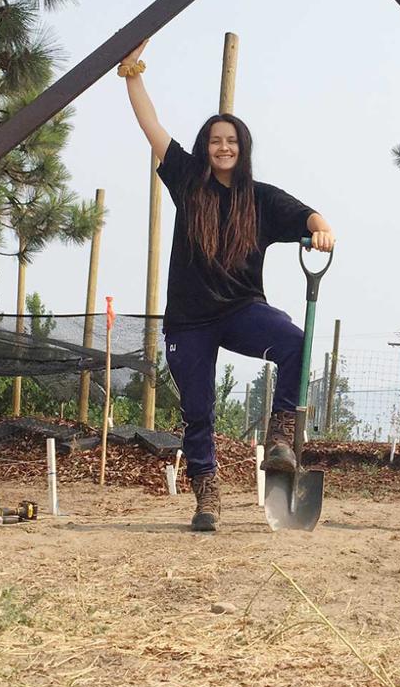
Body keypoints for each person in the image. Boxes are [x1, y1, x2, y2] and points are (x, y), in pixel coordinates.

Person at [119, 40, 335, 531]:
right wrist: (133, 72)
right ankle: (207, 492)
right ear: (205, 147)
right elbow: (151, 126)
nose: (223, 147)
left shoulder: (259, 198)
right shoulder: (187, 182)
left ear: (243, 149)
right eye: (216, 140)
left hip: (240, 312)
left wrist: (322, 229)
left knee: (296, 343)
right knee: (199, 410)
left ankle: (281, 436)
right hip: (189, 321)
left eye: (232, 141)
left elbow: (309, 215)